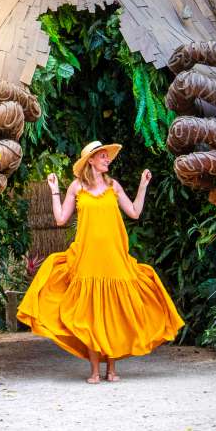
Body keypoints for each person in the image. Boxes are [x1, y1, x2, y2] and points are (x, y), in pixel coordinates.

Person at [17, 141, 184, 383]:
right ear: (91, 161)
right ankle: (95, 372)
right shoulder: (77, 188)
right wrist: (54, 189)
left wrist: (143, 185)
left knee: (112, 313)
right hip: (87, 258)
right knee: (91, 316)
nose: (108, 160)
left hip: (114, 258)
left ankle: (112, 370)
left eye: (107, 157)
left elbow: (135, 212)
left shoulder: (113, 186)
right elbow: (61, 219)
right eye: (103, 157)